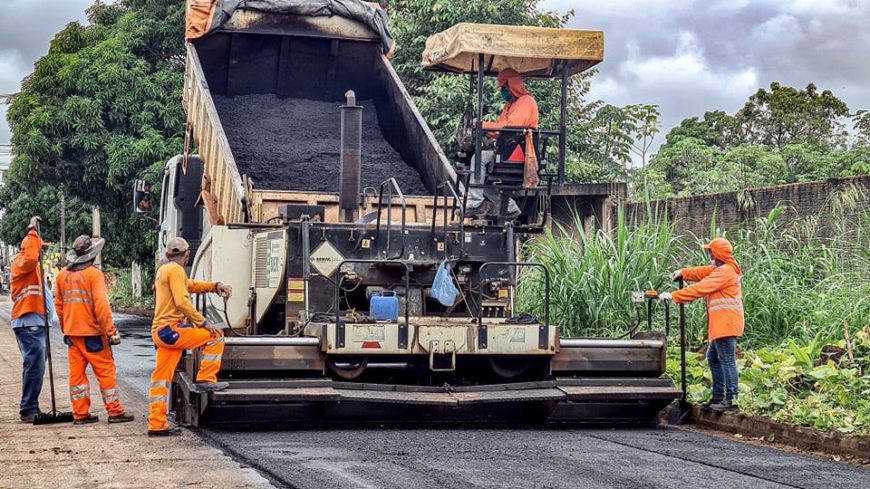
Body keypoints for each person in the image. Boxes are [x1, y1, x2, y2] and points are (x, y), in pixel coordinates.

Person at [147, 237, 232, 436]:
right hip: (171, 330)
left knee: (161, 379)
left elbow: (190, 285)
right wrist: (203, 322)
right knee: (216, 336)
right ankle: (206, 378)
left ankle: (157, 425)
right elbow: (182, 302)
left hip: (161, 332)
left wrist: (214, 285)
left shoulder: (164, 270)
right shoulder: (176, 270)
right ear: (187, 255)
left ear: (168, 254)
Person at [55, 235, 135, 424]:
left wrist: (66, 328)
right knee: (105, 372)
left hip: (72, 335)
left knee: (77, 375)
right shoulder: (93, 275)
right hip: (93, 335)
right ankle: (115, 412)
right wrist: (111, 332)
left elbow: (59, 307)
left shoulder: (62, 275)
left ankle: (80, 414)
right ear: (91, 255)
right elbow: (101, 307)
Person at [660, 237, 744, 412]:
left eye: (711, 252)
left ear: (717, 254)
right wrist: (684, 272)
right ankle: (719, 397)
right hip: (723, 324)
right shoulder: (723, 268)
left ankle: (731, 400)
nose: (709, 255)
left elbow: (701, 287)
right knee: (713, 358)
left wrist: (674, 296)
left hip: (726, 324)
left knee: (727, 360)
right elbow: (702, 272)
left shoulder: (724, 272)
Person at [466, 68, 539, 218]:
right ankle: (510, 208)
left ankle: (475, 203)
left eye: (504, 88)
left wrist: (483, 125)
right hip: (507, 149)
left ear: (512, 85)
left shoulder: (526, 101)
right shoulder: (510, 105)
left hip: (518, 152)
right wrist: (482, 128)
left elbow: (510, 127)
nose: (502, 92)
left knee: (478, 159)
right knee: (477, 173)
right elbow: (499, 129)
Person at [9, 216, 53, 422]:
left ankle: (30, 406)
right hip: (29, 322)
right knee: (35, 365)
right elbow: (31, 257)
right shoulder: (21, 263)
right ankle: (28, 408)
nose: (40, 253)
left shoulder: (33, 269)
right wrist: (33, 232)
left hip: (36, 322)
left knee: (35, 365)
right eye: (38, 249)